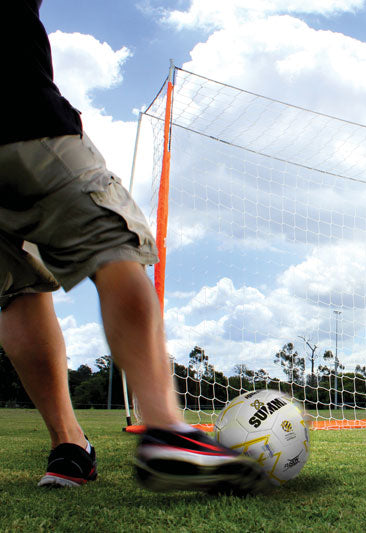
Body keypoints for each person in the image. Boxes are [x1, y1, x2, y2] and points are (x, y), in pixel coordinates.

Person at [0, 0, 265, 492]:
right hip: (23, 114)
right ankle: (167, 430)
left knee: (17, 289)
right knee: (114, 246)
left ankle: (69, 450)